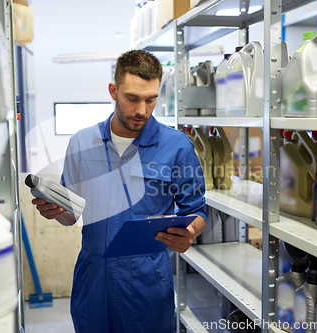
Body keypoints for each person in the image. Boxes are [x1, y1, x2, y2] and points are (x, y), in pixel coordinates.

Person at [32, 50, 206, 333]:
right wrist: (57, 212)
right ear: (114, 91)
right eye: (132, 98)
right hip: (93, 280)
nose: (142, 111)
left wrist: (189, 233)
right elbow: (70, 216)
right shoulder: (82, 142)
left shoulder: (177, 147)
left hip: (148, 282)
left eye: (151, 99)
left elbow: (196, 210)